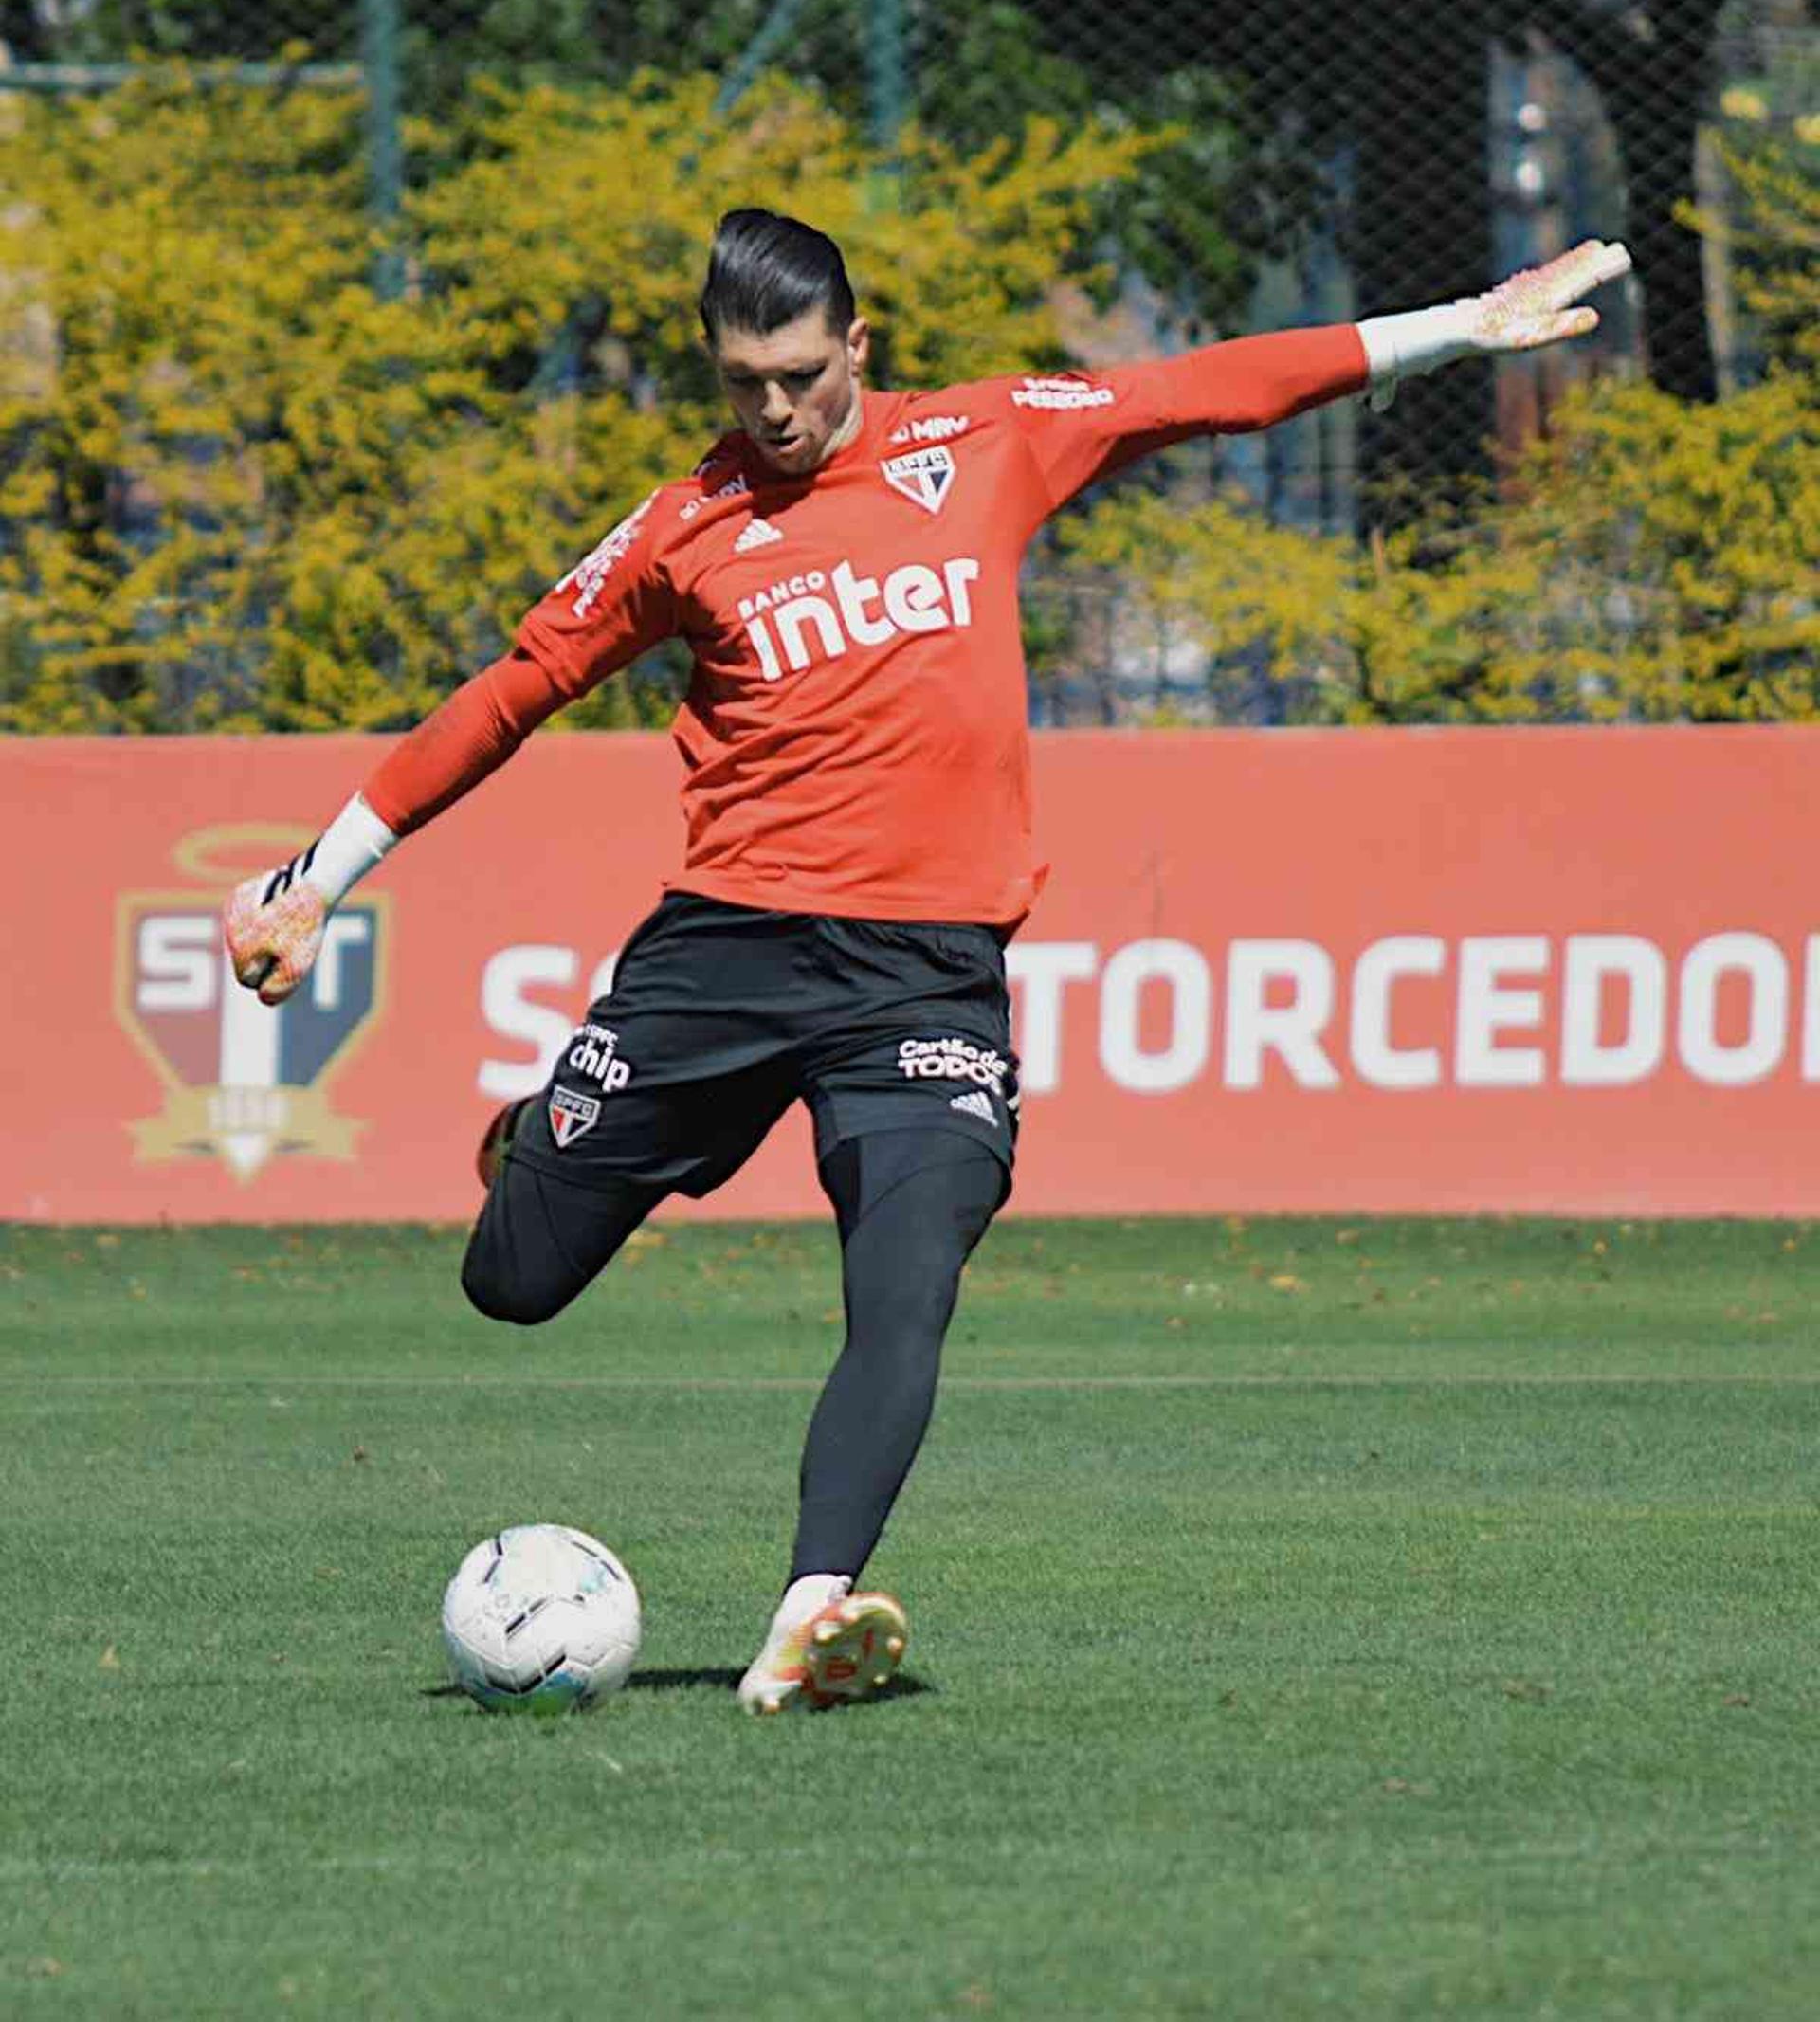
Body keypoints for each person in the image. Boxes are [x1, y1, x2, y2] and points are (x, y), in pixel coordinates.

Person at [223, 209, 1630, 1713]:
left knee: (908, 1281)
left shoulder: (984, 440)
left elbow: (1205, 385)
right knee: (512, 1280)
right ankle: (549, 1131)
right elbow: (509, 696)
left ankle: (811, 1611)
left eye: (800, 373)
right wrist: (319, 881)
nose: (772, 408)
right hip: (724, 961)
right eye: (740, 379)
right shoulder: (681, 528)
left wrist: (1457, 326)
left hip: (923, 982)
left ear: (858, 348)